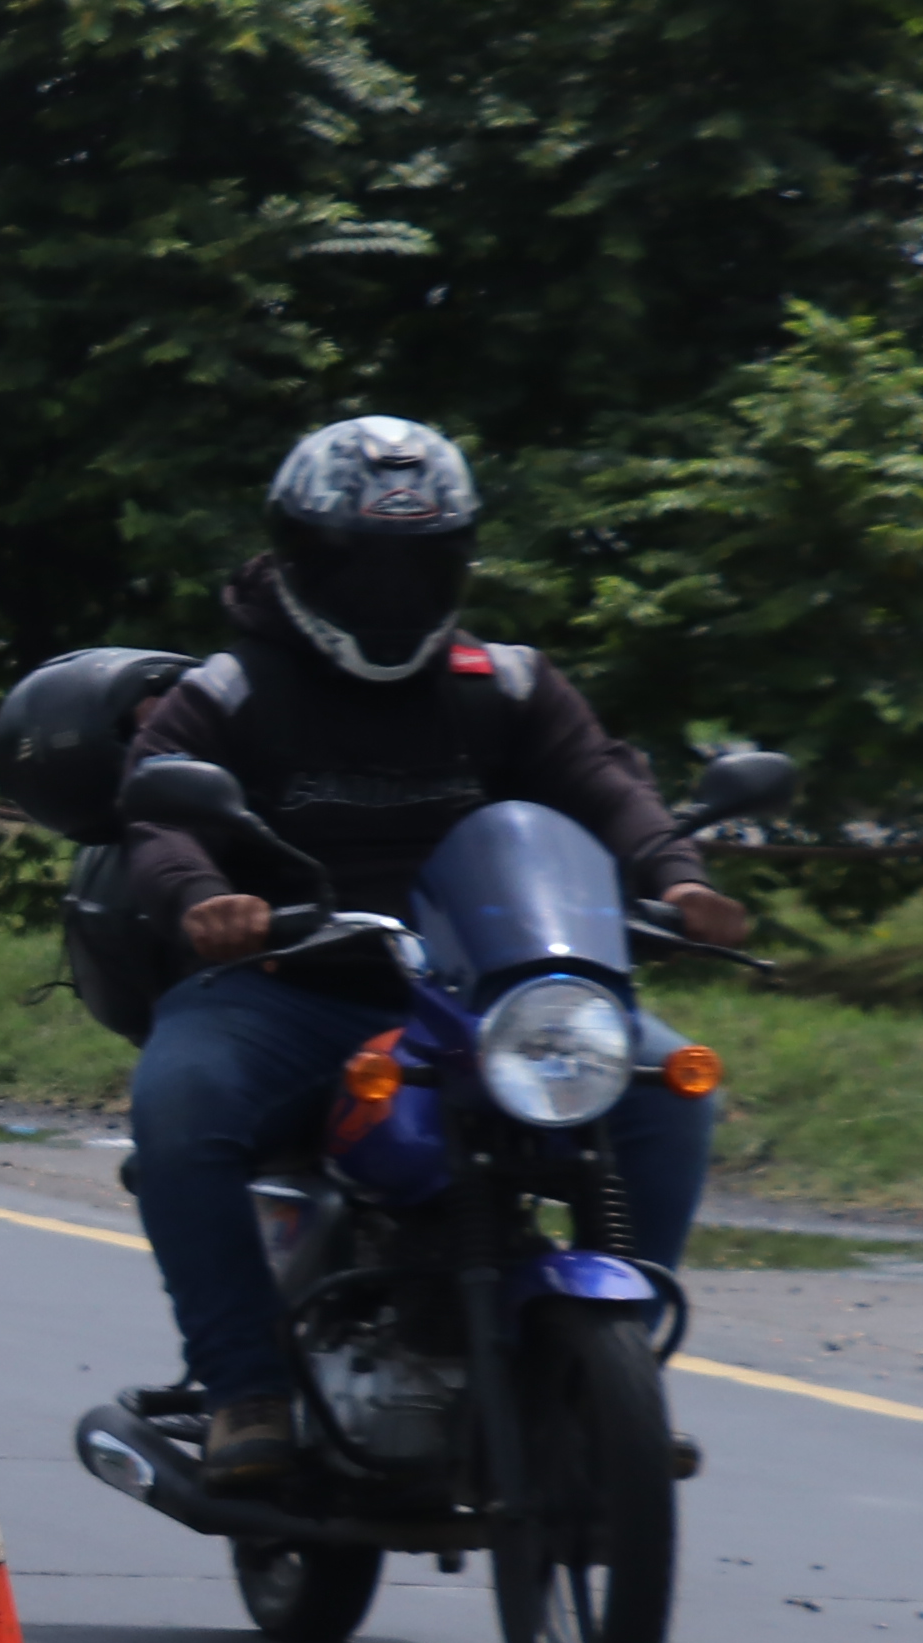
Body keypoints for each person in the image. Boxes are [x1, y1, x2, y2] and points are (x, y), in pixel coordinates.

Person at [111, 415, 750, 1489]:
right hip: (290, 989)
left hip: (489, 1000)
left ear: (460, 557)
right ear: (303, 556)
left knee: (672, 1089)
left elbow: (601, 784)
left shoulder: (501, 683)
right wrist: (204, 897)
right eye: (363, 564)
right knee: (181, 1108)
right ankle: (244, 1390)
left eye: (423, 562)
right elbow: (153, 812)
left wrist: (676, 874)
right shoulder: (230, 688)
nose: (392, 592)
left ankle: (612, 1370)